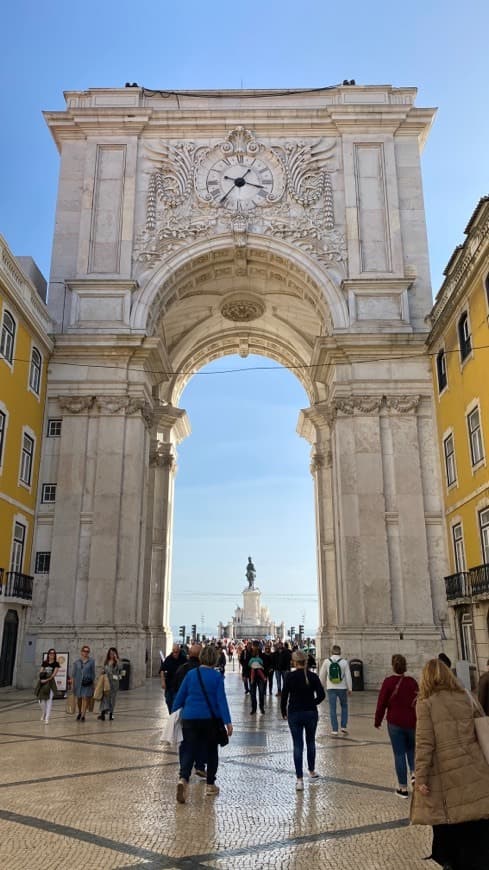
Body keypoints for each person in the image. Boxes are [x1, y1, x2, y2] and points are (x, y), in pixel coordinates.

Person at [411, 658, 489, 869]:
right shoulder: (466, 696)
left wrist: (421, 777)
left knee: (451, 823)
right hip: (474, 768)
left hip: (446, 773)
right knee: (474, 820)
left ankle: (452, 861)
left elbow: (424, 744)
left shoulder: (425, 703)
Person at [172, 644, 233, 803]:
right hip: (209, 721)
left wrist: (174, 713)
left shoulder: (192, 674)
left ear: (200, 658)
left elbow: (180, 696)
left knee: (189, 749)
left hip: (190, 718)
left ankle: (183, 779)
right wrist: (228, 722)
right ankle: (210, 785)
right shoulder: (217, 677)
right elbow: (221, 701)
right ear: (215, 659)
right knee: (211, 751)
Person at [374, 654, 418, 798]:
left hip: (395, 723)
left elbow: (381, 704)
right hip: (412, 721)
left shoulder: (388, 682)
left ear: (393, 666)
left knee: (399, 754)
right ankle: (415, 774)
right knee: (412, 750)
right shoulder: (412, 682)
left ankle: (403, 789)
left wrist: (378, 720)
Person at [281, 649, 325, 790]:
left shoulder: (289, 676)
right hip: (310, 713)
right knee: (310, 742)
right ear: (306, 661)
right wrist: (313, 703)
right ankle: (311, 771)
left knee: (297, 745)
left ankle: (299, 780)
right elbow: (321, 695)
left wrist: (283, 711)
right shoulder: (312, 676)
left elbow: (284, 696)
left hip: (294, 713)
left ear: (294, 662)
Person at [174, 643, 206, 779]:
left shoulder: (182, 669)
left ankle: (183, 774)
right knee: (202, 741)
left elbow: (176, 690)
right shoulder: (205, 671)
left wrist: (175, 712)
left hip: (187, 713)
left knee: (186, 742)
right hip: (204, 714)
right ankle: (199, 766)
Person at [319, 644, 352, 735]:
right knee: (344, 706)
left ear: (331, 652)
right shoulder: (344, 662)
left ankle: (334, 729)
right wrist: (350, 688)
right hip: (342, 688)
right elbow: (348, 676)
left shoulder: (326, 661)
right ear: (340, 652)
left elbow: (322, 675)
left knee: (332, 708)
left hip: (331, 688)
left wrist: (321, 686)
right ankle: (343, 726)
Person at [160, 643, 187, 713]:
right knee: (168, 701)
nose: (175, 654)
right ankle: (171, 715)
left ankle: (174, 716)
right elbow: (162, 670)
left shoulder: (183, 659)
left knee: (176, 703)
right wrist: (163, 681)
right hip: (169, 685)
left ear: (179, 651)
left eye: (176, 652)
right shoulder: (168, 659)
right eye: (173, 652)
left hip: (178, 686)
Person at [98, 647, 123, 721]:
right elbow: (104, 669)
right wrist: (102, 672)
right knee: (104, 698)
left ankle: (111, 714)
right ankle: (102, 714)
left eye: (113, 653)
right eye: (110, 653)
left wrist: (116, 659)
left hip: (114, 683)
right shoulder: (106, 661)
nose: (111, 655)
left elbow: (121, 668)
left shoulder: (117, 662)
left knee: (112, 699)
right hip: (106, 682)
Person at [71, 644, 96, 722]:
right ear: (81, 652)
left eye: (87, 651)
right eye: (84, 651)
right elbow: (73, 674)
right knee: (79, 699)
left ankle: (83, 715)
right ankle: (79, 712)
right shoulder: (77, 662)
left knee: (85, 697)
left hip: (87, 683)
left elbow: (93, 673)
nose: (86, 653)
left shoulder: (91, 661)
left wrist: (93, 683)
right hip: (78, 683)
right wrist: (72, 684)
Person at [37, 648, 60, 724]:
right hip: (42, 682)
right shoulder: (45, 662)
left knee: (49, 700)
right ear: (48, 654)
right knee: (41, 701)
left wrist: (47, 679)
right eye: (50, 653)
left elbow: (54, 674)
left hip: (50, 683)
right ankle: (44, 712)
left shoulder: (56, 664)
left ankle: (47, 718)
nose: (52, 655)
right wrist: (41, 678)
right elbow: (41, 671)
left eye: (53, 653)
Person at [248, 642, 267, 715]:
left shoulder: (262, 655)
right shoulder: (250, 655)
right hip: (253, 676)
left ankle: (261, 708)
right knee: (253, 694)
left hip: (259, 677)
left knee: (261, 693)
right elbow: (247, 665)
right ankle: (254, 708)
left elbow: (264, 664)